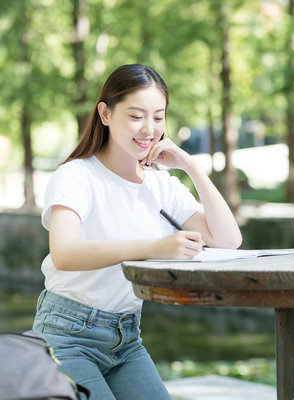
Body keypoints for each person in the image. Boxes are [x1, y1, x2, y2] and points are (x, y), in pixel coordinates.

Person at [32, 64, 242, 399]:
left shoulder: (162, 185)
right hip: (66, 335)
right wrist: (155, 247)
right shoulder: (76, 176)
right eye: (136, 116)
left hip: (126, 338)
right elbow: (65, 252)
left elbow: (228, 241)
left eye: (158, 117)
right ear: (105, 113)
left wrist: (191, 166)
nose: (149, 128)